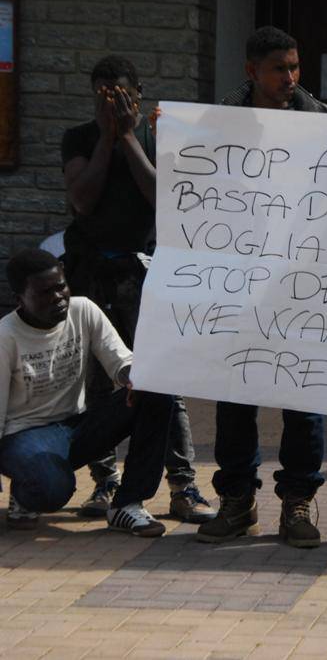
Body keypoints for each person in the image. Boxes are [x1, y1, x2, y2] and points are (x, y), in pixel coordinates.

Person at [197, 26, 327, 548]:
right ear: (252, 71)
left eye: (295, 67)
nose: (291, 78)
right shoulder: (216, 123)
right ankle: (238, 502)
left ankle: (297, 503)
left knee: (303, 401)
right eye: (280, 68)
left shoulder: (323, 123)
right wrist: (174, 137)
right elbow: (189, 186)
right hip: (238, 286)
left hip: (302, 288)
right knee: (235, 397)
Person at [60, 55, 213, 524]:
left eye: (119, 94)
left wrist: (127, 135)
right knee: (97, 379)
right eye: (101, 94)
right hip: (91, 273)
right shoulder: (80, 138)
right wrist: (107, 136)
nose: (110, 102)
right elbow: (82, 200)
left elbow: (163, 197)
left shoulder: (158, 137)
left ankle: (182, 484)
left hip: (147, 271)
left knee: (163, 380)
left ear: (138, 93)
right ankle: (104, 483)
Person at [1, 250, 172, 536]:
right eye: (45, 292)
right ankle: (26, 488)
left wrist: (133, 379)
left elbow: (120, 359)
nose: (58, 297)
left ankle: (127, 505)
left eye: (61, 286)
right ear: (20, 300)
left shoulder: (83, 311)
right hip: (22, 437)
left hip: (76, 426)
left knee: (155, 392)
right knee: (53, 489)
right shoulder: (5, 337)